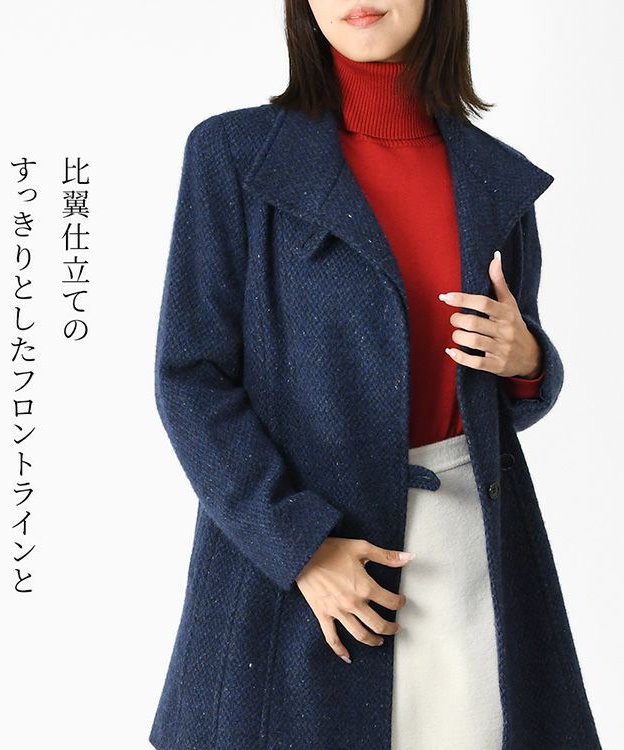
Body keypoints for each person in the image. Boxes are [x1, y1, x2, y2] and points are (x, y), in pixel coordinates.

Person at [149, 1, 602, 748]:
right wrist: (301, 546)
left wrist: (527, 361)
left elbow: (488, 399)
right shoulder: (234, 155)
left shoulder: (494, 179)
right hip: (300, 565)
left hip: (471, 561)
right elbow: (190, 377)